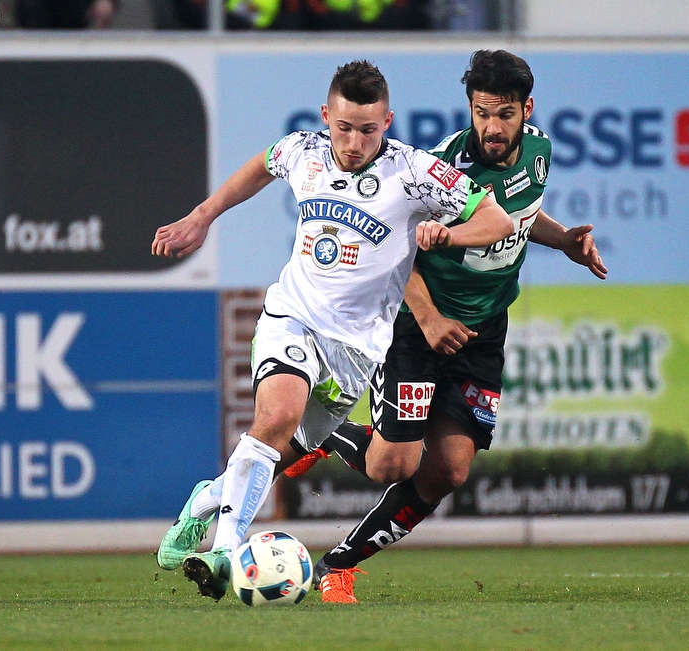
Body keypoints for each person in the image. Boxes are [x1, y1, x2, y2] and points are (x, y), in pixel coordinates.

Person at [152, 60, 519, 601]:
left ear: (387, 123)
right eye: (343, 127)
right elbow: (261, 165)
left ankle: (205, 502)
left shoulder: (414, 172)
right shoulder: (303, 150)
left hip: (358, 349)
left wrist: (452, 232)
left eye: (368, 130)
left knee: (321, 456)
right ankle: (227, 550)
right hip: (293, 315)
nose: (353, 142)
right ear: (326, 116)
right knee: (276, 417)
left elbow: (499, 221)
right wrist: (203, 215)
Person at [285, 50, 608, 603]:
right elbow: (390, 250)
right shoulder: (440, 171)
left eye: (505, 114)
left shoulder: (540, 152)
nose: (492, 127)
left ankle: (338, 566)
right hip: (419, 325)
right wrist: (431, 316)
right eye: (482, 113)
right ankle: (329, 431)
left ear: (526, 111)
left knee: (449, 471)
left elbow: (520, 215)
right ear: (470, 109)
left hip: (483, 330)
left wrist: (565, 242)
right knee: (394, 464)